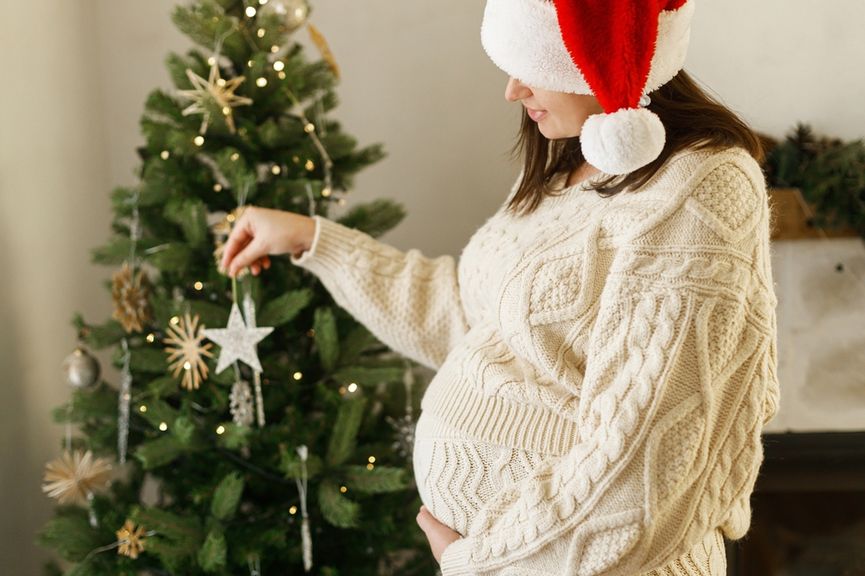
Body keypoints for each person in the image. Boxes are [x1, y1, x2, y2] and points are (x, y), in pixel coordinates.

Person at [219, 0, 780, 574]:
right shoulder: (569, 161)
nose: (511, 90)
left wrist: (480, 563)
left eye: (532, 64)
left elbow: (648, 467)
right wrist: (313, 241)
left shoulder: (700, 186)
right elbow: (473, 323)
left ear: (597, 59)